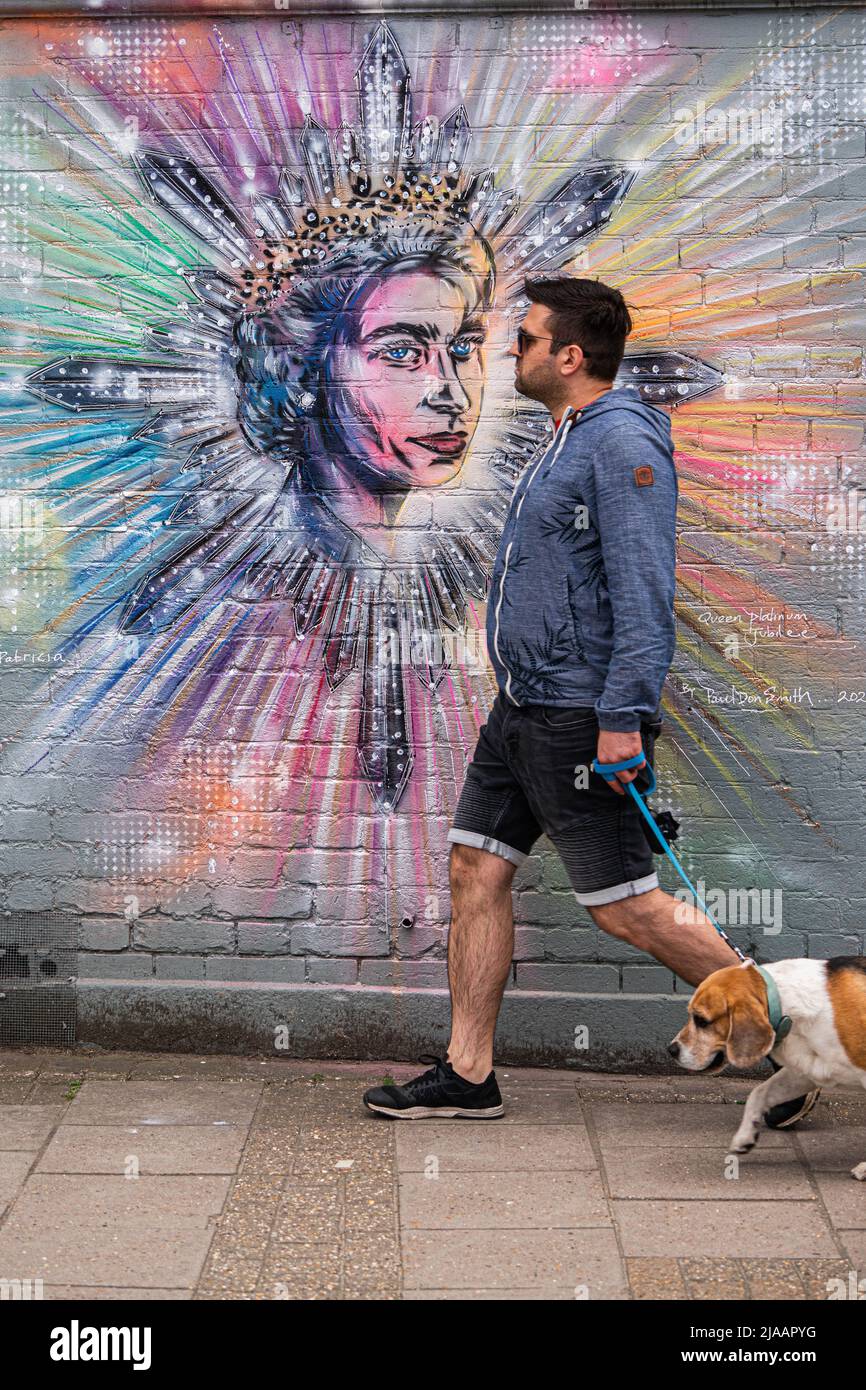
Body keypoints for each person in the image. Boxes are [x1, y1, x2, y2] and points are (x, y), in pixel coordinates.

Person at [363, 275, 819, 1127]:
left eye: (528, 339)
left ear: (571, 356)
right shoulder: (567, 435)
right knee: (476, 866)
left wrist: (620, 720)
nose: (513, 351)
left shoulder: (621, 440)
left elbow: (644, 594)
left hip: (579, 714)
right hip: (523, 710)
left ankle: (792, 1049)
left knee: (629, 909)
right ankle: (469, 1074)